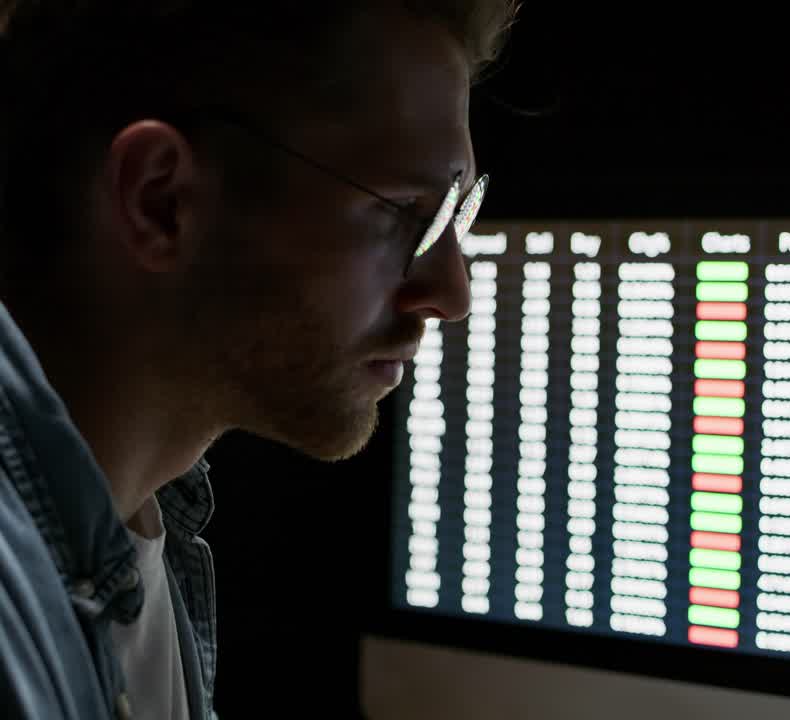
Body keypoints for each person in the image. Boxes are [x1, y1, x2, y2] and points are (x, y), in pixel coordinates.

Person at [0, 1, 516, 717]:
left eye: (457, 216)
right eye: (405, 213)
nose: (450, 292)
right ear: (161, 200)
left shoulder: (146, 526)